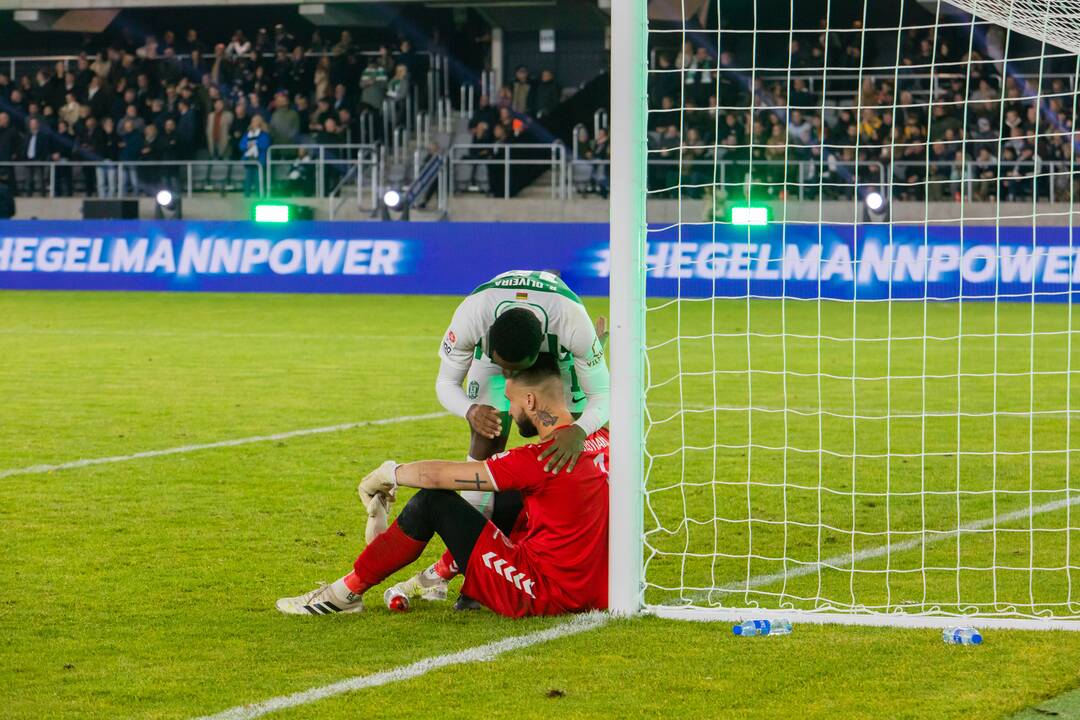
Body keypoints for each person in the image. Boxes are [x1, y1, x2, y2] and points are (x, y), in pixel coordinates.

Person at [276, 353, 609, 617]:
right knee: (506, 497)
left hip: (544, 594)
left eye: (513, 401)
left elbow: (435, 477)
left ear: (532, 402)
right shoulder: (604, 439)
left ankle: (343, 594)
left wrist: (387, 473)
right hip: (602, 587)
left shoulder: (538, 460)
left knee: (433, 502)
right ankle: (438, 574)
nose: (512, 409)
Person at [388, 270, 610, 609]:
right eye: (504, 369)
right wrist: (469, 410)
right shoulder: (472, 317)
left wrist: (578, 431)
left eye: (514, 373)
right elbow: (445, 384)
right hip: (493, 356)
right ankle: (466, 574)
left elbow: (605, 395)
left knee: (563, 459)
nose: (510, 381)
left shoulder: (571, 323)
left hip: (559, 356)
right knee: (485, 443)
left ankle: (531, 559)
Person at [239, 114, 270, 197]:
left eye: (256, 121)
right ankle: (247, 195)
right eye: (253, 121)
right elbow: (241, 145)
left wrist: (255, 145)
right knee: (248, 178)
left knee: (258, 179)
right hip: (249, 160)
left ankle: (259, 195)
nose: (254, 123)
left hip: (259, 160)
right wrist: (248, 145)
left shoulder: (264, 134)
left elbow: (265, 145)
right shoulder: (247, 134)